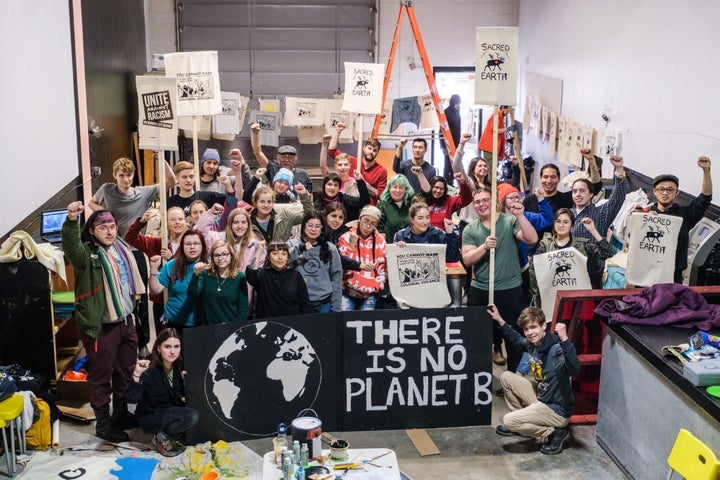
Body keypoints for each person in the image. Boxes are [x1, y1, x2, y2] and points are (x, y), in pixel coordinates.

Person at [62, 204, 146, 443]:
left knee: (125, 369)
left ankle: (120, 414)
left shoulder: (122, 249)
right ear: (92, 231)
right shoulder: (86, 255)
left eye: (112, 226)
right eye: (103, 227)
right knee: (100, 374)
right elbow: (70, 245)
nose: (109, 232)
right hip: (101, 325)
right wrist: (71, 220)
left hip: (126, 320)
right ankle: (103, 424)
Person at [462, 187, 539, 373]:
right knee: (478, 335)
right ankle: (479, 377)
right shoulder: (471, 229)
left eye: (485, 200)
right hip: (480, 289)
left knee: (513, 335)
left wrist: (520, 215)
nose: (482, 204)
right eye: (478, 201)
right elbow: (467, 259)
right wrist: (484, 247)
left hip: (510, 289)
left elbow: (532, 238)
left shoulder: (509, 221)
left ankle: (513, 377)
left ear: (494, 200)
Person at [487, 305, 580, 455]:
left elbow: (574, 369)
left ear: (544, 326)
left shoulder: (555, 350)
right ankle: (525, 427)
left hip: (556, 410)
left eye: (534, 327)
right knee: (506, 377)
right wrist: (499, 319)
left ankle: (554, 432)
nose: (530, 333)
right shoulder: (533, 345)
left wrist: (564, 339)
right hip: (543, 397)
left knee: (509, 421)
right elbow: (516, 339)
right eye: (526, 329)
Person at [127, 328, 199, 457]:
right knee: (192, 416)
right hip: (151, 415)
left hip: (168, 410)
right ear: (158, 348)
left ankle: (166, 433)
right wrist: (137, 375)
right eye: (167, 346)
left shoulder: (178, 365)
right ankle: (161, 437)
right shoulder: (149, 368)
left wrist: (185, 383)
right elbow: (132, 400)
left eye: (176, 346)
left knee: (197, 413)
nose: (172, 351)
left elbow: (177, 395)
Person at [125, 206, 188, 341]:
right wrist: (141, 221)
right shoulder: (157, 244)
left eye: (180, 219)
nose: (177, 222)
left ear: (185, 221)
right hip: (161, 300)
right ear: (166, 223)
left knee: (183, 340)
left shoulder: (190, 244)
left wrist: (172, 259)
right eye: (173, 219)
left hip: (182, 301)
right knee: (163, 338)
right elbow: (130, 238)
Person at [529, 209, 614, 308]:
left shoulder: (582, 244)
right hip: (551, 297)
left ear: (572, 225)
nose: (561, 225)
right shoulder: (545, 244)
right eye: (558, 221)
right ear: (554, 224)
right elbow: (534, 267)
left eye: (565, 222)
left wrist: (593, 231)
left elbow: (608, 253)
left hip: (576, 298)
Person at [649, 156, 713, 283]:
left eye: (670, 190)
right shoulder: (645, 214)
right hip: (648, 273)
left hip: (674, 276)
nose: (665, 193)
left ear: (676, 193)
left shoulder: (686, 214)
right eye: (661, 189)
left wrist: (706, 171)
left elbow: (705, 198)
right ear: (655, 192)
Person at [570, 155, 627, 288]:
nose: (578, 194)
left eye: (582, 191)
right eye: (574, 191)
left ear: (591, 194)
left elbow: (617, 198)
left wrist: (618, 170)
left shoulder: (601, 213)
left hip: (593, 271)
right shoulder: (567, 214)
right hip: (571, 269)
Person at [89, 156, 177, 236]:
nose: (126, 180)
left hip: (135, 246)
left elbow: (172, 181)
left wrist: (162, 160)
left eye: (129, 175)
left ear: (133, 174)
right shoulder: (107, 189)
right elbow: (91, 203)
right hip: (114, 245)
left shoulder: (143, 193)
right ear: (114, 175)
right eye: (121, 176)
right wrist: (105, 212)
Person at [497, 183, 553, 306]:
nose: (516, 200)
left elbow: (547, 219)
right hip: (502, 270)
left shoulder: (526, 216)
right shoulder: (496, 219)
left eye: (518, 197)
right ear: (503, 200)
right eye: (512, 197)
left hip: (522, 268)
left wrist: (541, 199)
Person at [148, 230, 208, 332]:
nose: (192, 247)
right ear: (182, 247)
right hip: (173, 323)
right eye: (188, 244)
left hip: (200, 324)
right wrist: (153, 269)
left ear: (202, 246)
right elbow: (155, 290)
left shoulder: (209, 267)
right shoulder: (172, 265)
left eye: (196, 243)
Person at [523, 149, 603, 224]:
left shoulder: (567, 199)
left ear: (559, 179)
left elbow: (595, 187)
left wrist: (591, 160)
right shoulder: (529, 201)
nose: (549, 181)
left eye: (553, 177)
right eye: (545, 177)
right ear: (540, 178)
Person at [287, 212, 343, 313]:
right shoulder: (292, 244)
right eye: (310, 225)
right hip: (298, 301)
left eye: (317, 226)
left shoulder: (330, 248)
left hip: (323, 302)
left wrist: (336, 309)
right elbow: (282, 261)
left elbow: (336, 278)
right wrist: (300, 248)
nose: (313, 229)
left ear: (322, 229)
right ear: (303, 227)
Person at [338, 205, 387, 311]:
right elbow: (343, 264)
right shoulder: (346, 236)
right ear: (359, 219)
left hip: (369, 294)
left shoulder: (381, 242)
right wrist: (351, 246)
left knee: (366, 325)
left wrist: (377, 286)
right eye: (366, 221)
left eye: (373, 223)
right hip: (347, 292)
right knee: (344, 322)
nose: (368, 226)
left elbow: (382, 269)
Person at [245, 240, 312, 319]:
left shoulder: (296, 275)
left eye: (284, 254)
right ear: (268, 257)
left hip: (292, 323)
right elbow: (251, 276)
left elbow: (305, 304)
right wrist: (259, 251)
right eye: (275, 254)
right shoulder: (262, 274)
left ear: (287, 257)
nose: (280, 257)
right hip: (267, 324)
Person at [190, 240, 249, 324]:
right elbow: (193, 294)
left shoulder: (239, 277)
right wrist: (195, 275)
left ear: (231, 255)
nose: (220, 258)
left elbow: (243, 310)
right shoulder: (206, 273)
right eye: (216, 255)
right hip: (208, 328)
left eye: (224, 254)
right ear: (212, 258)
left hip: (230, 328)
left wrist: (236, 329)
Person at [328, 121, 386, 205]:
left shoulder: (381, 171)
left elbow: (381, 195)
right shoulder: (351, 161)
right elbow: (331, 151)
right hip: (350, 205)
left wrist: (362, 182)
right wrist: (338, 131)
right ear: (363, 148)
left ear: (377, 152)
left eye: (375, 150)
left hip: (368, 208)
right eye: (369, 148)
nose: (371, 152)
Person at [250, 122, 313, 192]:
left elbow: (310, 196)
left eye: (290, 157)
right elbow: (258, 152)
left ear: (295, 159)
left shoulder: (303, 174)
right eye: (283, 157)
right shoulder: (272, 169)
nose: (286, 160)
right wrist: (255, 134)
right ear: (278, 158)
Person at [394, 201, 460, 263]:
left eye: (427, 217)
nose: (425, 222)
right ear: (412, 220)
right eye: (420, 218)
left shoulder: (438, 234)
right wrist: (398, 250)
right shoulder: (400, 236)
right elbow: (394, 261)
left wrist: (450, 234)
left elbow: (453, 259)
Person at [167, 160, 235, 217]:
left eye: (191, 176)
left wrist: (228, 185)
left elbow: (232, 204)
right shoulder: (170, 202)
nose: (188, 180)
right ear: (177, 179)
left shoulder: (208, 197)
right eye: (184, 177)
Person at [248, 183, 313, 243]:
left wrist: (304, 195)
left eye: (269, 202)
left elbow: (308, 217)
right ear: (256, 203)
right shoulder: (247, 222)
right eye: (262, 202)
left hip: (283, 253)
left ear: (273, 203)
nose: (266, 205)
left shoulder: (285, 215)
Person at [377, 174, 416, 242]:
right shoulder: (382, 206)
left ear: (406, 190)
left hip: (410, 248)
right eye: (394, 187)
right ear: (389, 189)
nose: (397, 190)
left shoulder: (412, 205)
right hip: (390, 248)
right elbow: (380, 232)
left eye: (401, 187)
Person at [478, 105, 510, 172]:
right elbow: (495, 131)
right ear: (503, 108)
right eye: (508, 110)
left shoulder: (500, 118)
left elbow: (499, 135)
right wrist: (507, 129)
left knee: (492, 170)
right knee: (490, 170)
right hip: (490, 148)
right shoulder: (495, 116)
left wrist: (508, 140)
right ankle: (490, 183)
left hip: (493, 148)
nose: (508, 113)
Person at [440, 94, 462, 183]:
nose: (458, 105)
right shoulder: (446, 112)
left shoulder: (457, 112)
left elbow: (457, 128)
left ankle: (452, 182)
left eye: (459, 103)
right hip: (447, 143)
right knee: (448, 164)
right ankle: (446, 182)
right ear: (452, 103)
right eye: (456, 103)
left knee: (455, 164)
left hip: (456, 143)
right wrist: (443, 146)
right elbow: (441, 130)